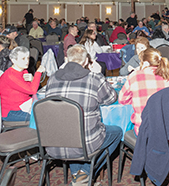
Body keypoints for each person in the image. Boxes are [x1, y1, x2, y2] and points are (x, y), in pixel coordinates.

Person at [45, 44, 122, 186]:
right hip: (84, 144)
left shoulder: (52, 79)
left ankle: (77, 175)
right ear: (86, 61)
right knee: (117, 132)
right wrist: (99, 74)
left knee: (71, 130)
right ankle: (85, 173)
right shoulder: (93, 78)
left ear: (67, 59)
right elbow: (111, 99)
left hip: (52, 142)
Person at [119, 47, 169, 135]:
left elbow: (122, 100)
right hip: (164, 129)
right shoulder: (167, 76)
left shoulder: (135, 76)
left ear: (146, 63)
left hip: (143, 130)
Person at [0, 46, 45, 122]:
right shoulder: (11, 76)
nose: (27, 61)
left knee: (48, 109)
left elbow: (31, 87)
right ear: (13, 60)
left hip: (24, 105)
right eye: (23, 59)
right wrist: (38, 73)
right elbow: (32, 91)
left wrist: (32, 79)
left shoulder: (23, 71)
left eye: (28, 58)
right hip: (11, 111)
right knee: (44, 116)